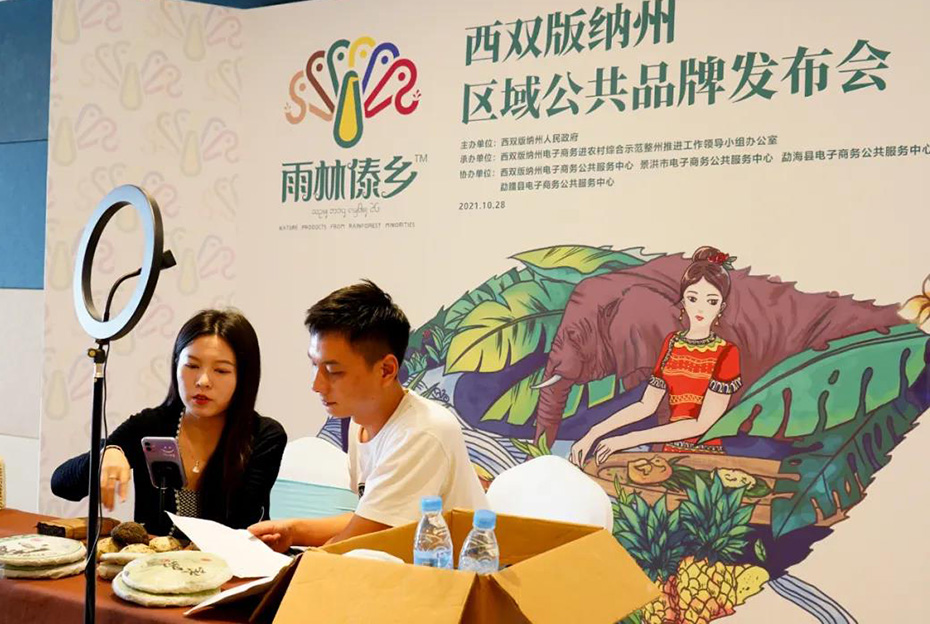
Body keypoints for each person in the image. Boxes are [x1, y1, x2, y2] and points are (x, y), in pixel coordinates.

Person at [249, 280, 487, 551]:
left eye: (333, 371)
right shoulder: (360, 420)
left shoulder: (424, 432)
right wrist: (292, 531)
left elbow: (360, 539)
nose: (316, 385)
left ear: (386, 370)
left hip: (458, 574)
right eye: (314, 365)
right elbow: (368, 518)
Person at [51, 309, 287, 534]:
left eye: (221, 371)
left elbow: (240, 525)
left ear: (244, 377)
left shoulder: (264, 436)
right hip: (152, 562)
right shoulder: (151, 426)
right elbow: (61, 485)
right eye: (192, 366)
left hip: (230, 562)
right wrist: (107, 453)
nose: (203, 381)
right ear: (176, 365)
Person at [570, 246, 743, 466]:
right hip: (669, 456)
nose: (700, 309)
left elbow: (702, 424)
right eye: (693, 298)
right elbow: (646, 405)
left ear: (721, 307)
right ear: (683, 302)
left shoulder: (726, 352)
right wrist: (593, 433)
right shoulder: (672, 343)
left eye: (711, 301)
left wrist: (628, 439)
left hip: (705, 459)